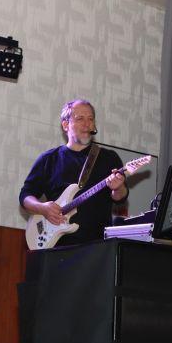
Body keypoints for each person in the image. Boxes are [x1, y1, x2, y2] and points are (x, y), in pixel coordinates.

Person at [19, 98, 128, 248]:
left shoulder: (109, 158)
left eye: (90, 119)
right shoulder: (49, 159)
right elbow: (25, 195)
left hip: (98, 247)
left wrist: (118, 187)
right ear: (65, 125)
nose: (87, 124)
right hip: (55, 246)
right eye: (80, 118)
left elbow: (120, 198)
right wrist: (43, 208)